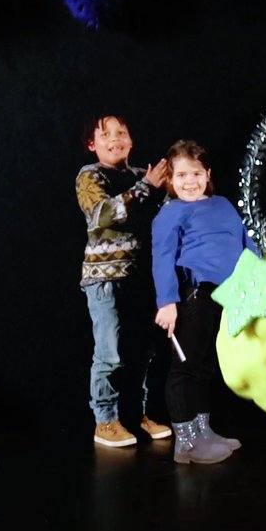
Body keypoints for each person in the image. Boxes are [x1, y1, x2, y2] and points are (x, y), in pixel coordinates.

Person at [151, 139, 259, 464]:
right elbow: (163, 258)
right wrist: (167, 302)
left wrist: (259, 277)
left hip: (225, 298)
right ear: (170, 178)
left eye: (195, 173)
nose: (189, 181)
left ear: (207, 173)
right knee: (186, 368)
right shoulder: (170, 214)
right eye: (181, 175)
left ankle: (203, 431)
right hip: (194, 297)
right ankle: (185, 442)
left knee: (205, 368)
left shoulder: (223, 204)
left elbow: (245, 243)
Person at [76, 114, 173, 448]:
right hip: (105, 280)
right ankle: (105, 422)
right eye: (106, 135)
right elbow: (103, 214)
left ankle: (144, 414)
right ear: (92, 145)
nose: (115, 138)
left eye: (122, 132)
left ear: (131, 140)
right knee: (110, 352)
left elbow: (163, 217)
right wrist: (148, 186)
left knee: (146, 351)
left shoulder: (140, 177)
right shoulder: (90, 175)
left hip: (143, 277)